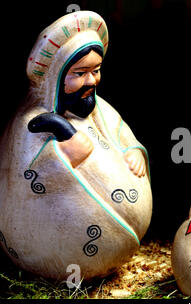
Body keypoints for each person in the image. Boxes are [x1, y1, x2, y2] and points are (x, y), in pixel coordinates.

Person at [0, 11, 153, 280]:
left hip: (126, 241)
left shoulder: (100, 110)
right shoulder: (32, 122)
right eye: (80, 73)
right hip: (55, 245)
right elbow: (23, 176)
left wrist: (132, 151)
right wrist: (62, 157)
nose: (92, 81)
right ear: (57, 76)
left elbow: (122, 134)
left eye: (96, 71)